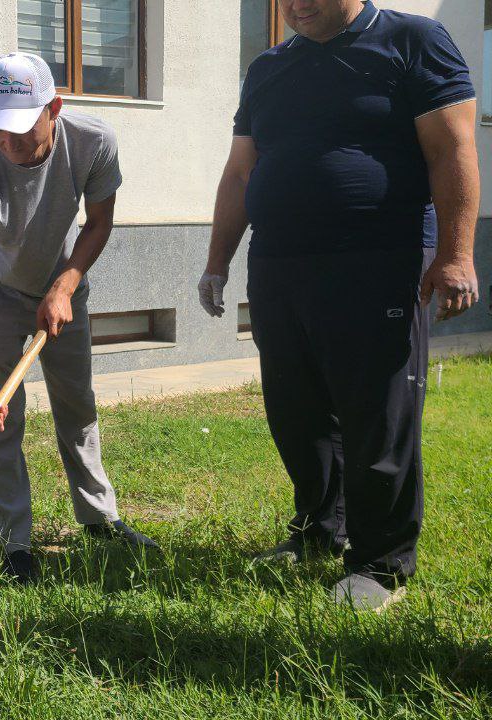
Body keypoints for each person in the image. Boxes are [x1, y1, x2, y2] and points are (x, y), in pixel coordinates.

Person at [199, 0, 479, 610]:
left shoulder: (414, 41)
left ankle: (381, 562)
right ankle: (320, 530)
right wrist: (217, 261)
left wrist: (456, 254)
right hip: (279, 265)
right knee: (295, 410)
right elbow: (241, 173)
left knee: (376, 411)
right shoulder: (270, 68)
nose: (294, 7)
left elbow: (451, 148)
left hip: (376, 260)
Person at [0, 52, 158, 586]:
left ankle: (98, 518)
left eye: (20, 129)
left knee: (77, 406)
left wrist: (66, 284)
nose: (9, 144)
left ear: (55, 109)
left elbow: (100, 221)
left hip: (64, 286)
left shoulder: (93, 142)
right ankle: (15, 545)